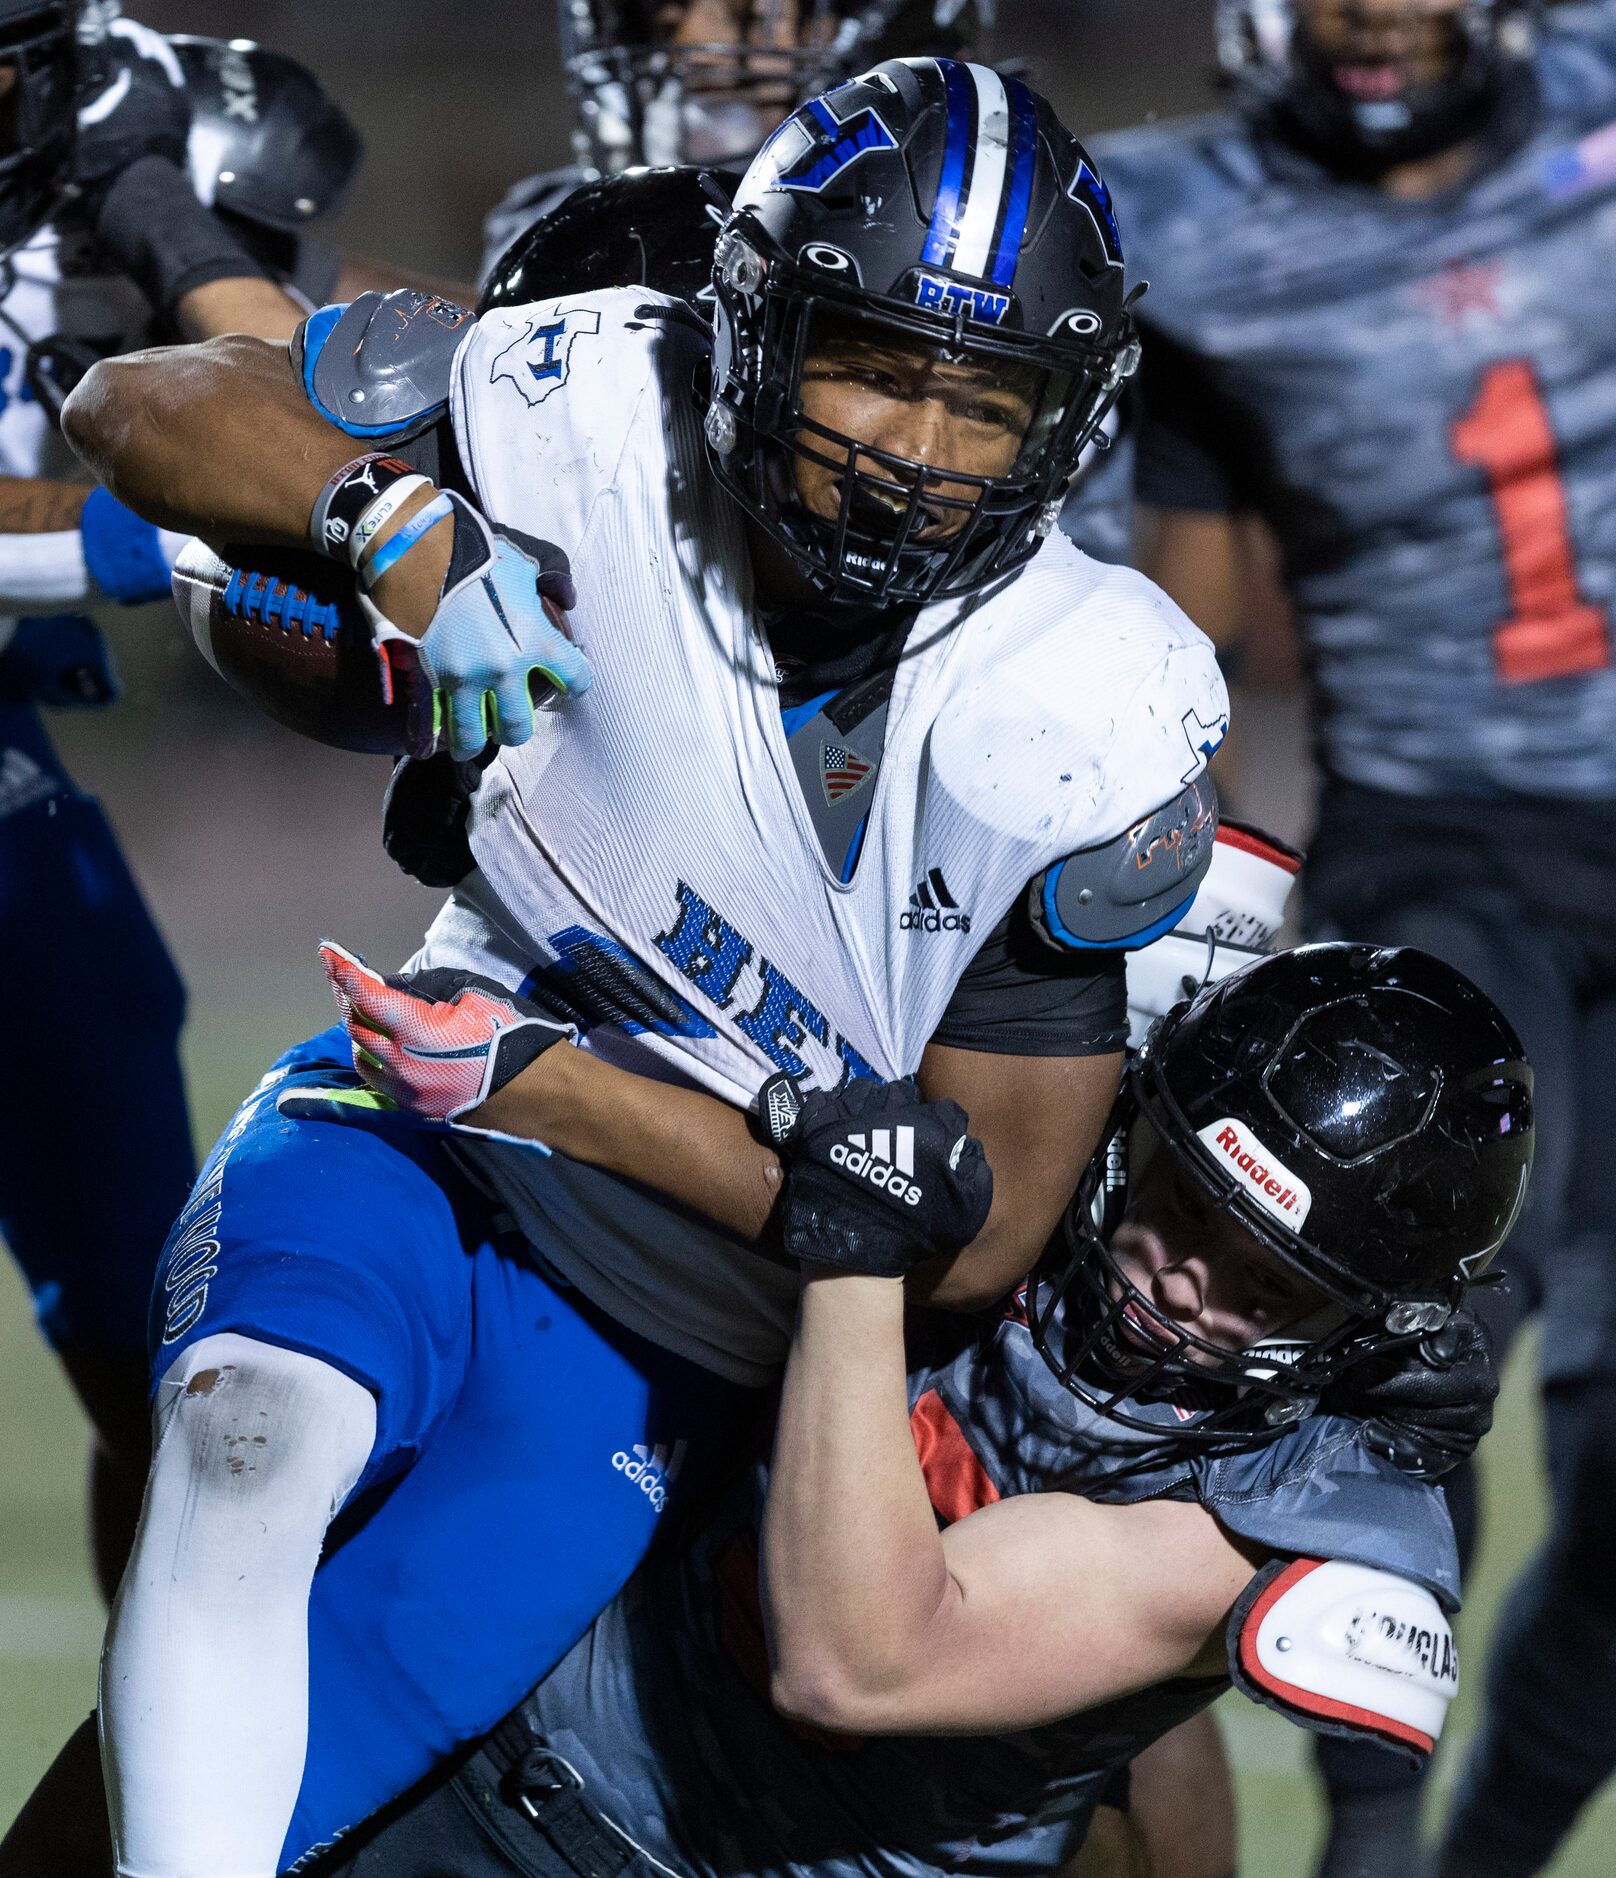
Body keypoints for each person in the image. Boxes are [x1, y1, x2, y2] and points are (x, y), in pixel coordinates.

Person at [56, 56, 1228, 1877]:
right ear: (750, 329)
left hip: (671, 1321)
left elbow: (975, 1230)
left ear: (1065, 424)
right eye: (868, 364)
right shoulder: (598, 392)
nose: (907, 449)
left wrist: (572, 1091)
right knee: (240, 1442)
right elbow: (137, 404)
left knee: (288, 1769)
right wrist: (401, 526)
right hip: (424, 1138)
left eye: (972, 401)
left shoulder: (1072, 710)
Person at [296, 942, 1529, 1878]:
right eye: (1179, 1202)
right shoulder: (1059, 1127)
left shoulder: (1297, 1509)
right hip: (501, 1747)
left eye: (1265, 1284)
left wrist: (856, 1248)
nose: (1179, 1274)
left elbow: (851, 1665)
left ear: (1371, 1331)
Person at [1086, 3, 1616, 1871]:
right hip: (1446, 830)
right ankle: (1371, 1845)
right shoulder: (1180, 215)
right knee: (1419, 1312)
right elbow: (1182, 607)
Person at [0, 0, 369, 1600]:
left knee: (158, 1318)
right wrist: (168, 526)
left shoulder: (97, 102)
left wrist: (328, 466)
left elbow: (272, 365)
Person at [479, 1, 989, 281]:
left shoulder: (960, 224)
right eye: (669, 13)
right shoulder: (552, 218)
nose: (696, 48)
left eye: (751, 16)